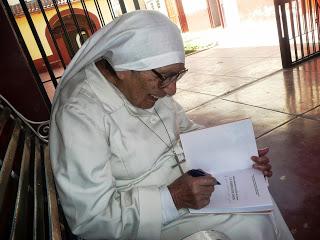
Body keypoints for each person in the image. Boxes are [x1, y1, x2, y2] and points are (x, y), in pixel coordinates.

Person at [49, 10, 294, 240]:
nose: (172, 89)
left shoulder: (148, 88)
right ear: (123, 69)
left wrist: (238, 155)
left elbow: (186, 130)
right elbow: (92, 220)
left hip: (189, 190)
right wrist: (173, 199)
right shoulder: (79, 114)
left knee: (261, 203)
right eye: (165, 76)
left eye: (177, 75)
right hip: (149, 220)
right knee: (251, 225)